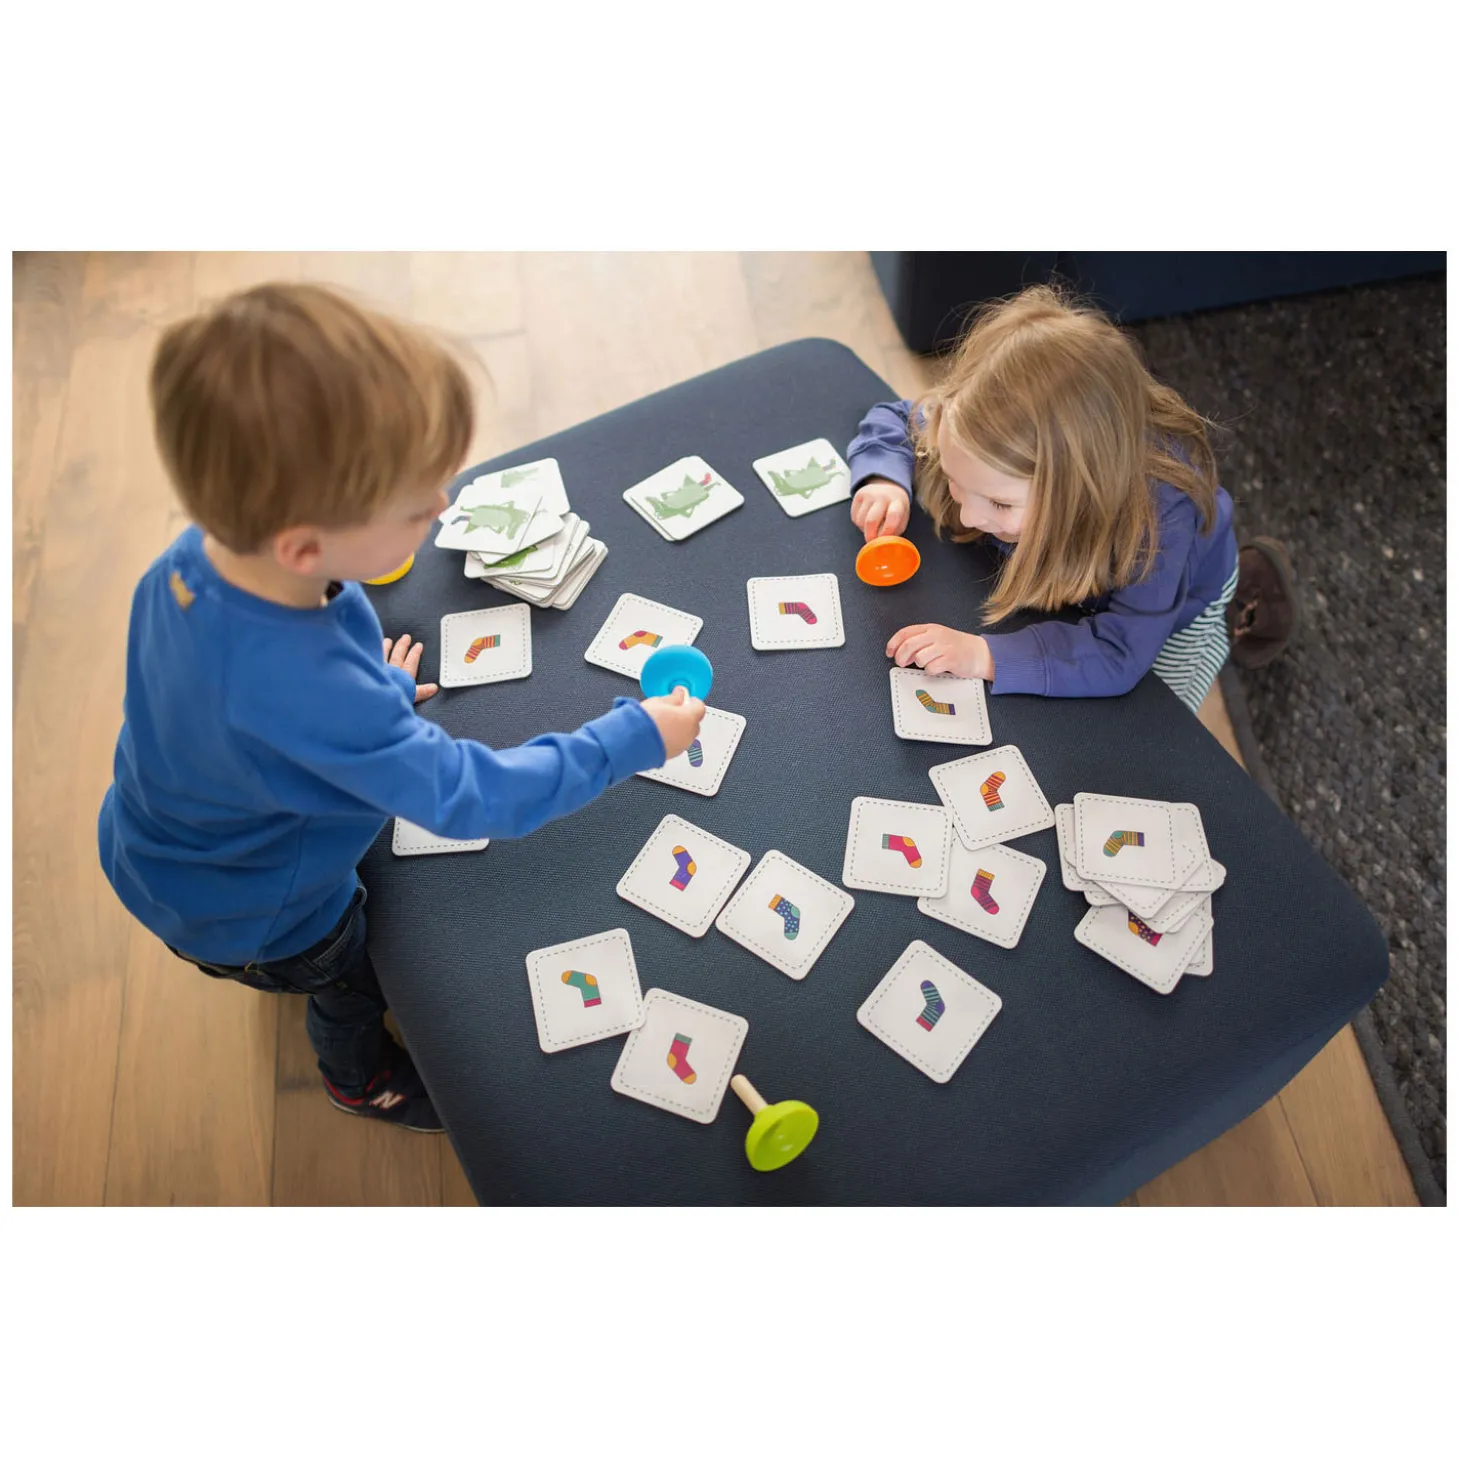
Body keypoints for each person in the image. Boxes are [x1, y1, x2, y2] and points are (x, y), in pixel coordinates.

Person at [97, 283, 704, 1132]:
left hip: (151, 841)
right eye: (418, 505)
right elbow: (477, 797)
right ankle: (358, 1081)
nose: (444, 508)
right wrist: (634, 735)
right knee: (348, 985)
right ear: (303, 546)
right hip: (269, 913)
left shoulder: (185, 562)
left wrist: (366, 693)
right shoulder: (315, 698)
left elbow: (225, 714)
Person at [847, 285, 1296, 710]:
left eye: (999, 503)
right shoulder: (977, 429)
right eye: (954, 479)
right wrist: (885, 480)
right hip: (1086, 582)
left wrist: (985, 656)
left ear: (1079, 492)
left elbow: (1120, 653)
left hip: (1182, 601)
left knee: (1162, 711)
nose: (968, 515)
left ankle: (1245, 601)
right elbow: (897, 420)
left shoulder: (1159, 528)